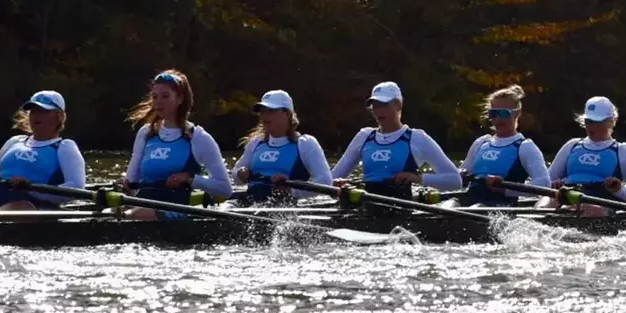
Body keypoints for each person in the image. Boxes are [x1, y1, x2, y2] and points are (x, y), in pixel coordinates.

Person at [122, 70, 233, 220]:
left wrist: (189, 178)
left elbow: (224, 189)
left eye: (165, 96)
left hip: (176, 211)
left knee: (130, 215)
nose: (158, 102)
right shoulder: (146, 133)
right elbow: (132, 182)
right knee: (107, 214)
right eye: (155, 97)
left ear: (180, 98)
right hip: (142, 207)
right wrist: (125, 187)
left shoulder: (199, 137)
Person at [331, 81, 463, 198]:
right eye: (375, 106)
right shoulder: (364, 136)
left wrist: (418, 178)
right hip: (367, 207)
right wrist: (338, 183)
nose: (378, 111)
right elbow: (331, 178)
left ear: (398, 105)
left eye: (384, 105)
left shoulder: (417, 138)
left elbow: (455, 181)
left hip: (401, 212)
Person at [0, 91, 87, 211]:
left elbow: (76, 187)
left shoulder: (64, 147)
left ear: (59, 117)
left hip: (33, 207)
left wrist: (31, 189)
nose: (36, 116)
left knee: (17, 208)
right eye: (33, 111)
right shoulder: (14, 141)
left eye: (43, 111)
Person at [547, 96, 626, 214]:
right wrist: (554, 186)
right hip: (568, 196)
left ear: (611, 122)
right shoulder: (572, 145)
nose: (591, 126)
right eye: (588, 121)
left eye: (598, 122)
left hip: (602, 202)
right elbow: (546, 182)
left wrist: (619, 191)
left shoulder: (621, 151)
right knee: (544, 202)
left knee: (589, 209)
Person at [232, 90, 333, 203]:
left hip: (283, 208)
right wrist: (240, 173)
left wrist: (291, 190)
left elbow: (325, 181)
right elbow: (236, 178)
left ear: (287, 114)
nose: (264, 115)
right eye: (262, 111)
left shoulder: (305, 144)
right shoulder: (255, 143)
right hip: (251, 203)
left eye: (270, 111)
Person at [459, 84, 551, 205]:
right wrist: (459, 176)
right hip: (469, 200)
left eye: (503, 114)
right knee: (447, 207)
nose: (497, 119)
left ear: (516, 114)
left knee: (476, 207)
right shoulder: (481, 143)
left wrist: (506, 189)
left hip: (500, 205)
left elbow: (544, 184)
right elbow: (459, 174)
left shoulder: (525, 147)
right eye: (493, 114)